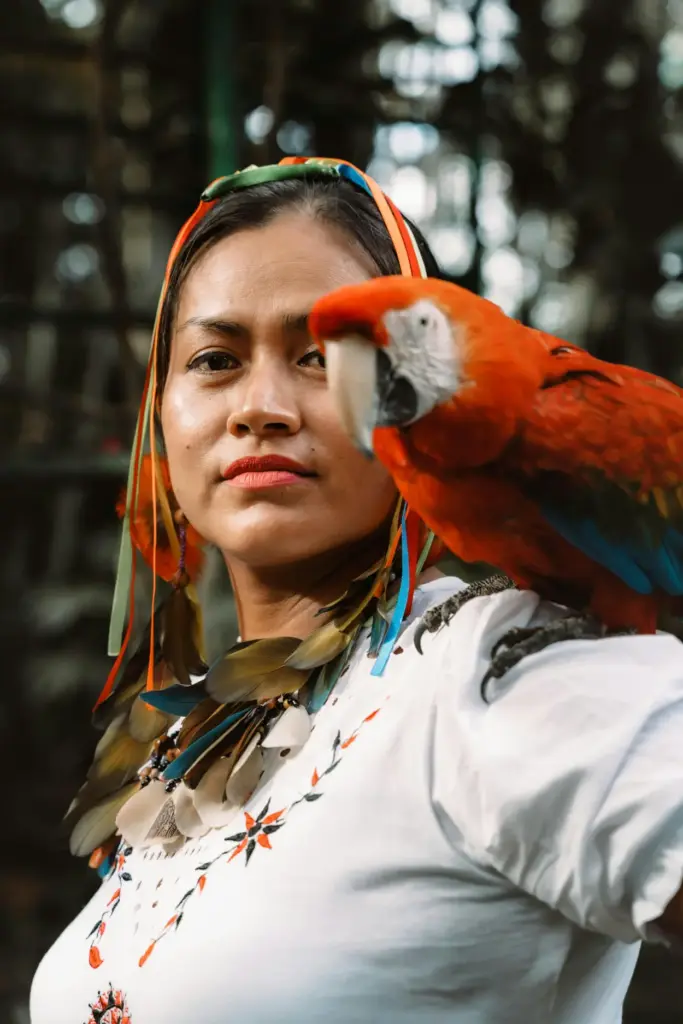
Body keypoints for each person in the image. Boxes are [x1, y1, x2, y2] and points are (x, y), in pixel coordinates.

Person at [30, 158, 683, 1024]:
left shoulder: (508, 680)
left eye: (316, 358)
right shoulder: (202, 734)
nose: (260, 407)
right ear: (160, 412)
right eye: (216, 358)